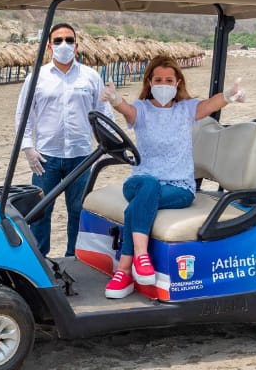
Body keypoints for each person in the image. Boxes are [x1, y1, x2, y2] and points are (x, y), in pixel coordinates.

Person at [99, 56, 245, 298]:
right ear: (149, 82)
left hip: (178, 188)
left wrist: (229, 95)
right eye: (158, 79)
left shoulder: (185, 109)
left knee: (134, 209)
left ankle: (125, 269)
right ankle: (142, 257)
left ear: (177, 83)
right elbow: (126, 109)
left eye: (169, 80)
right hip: (139, 182)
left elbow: (210, 105)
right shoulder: (142, 110)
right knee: (148, 185)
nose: (163, 84)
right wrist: (115, 99)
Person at [15, 22, 113, 256]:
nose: (64, 45)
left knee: (78, 211)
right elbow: (24, 114)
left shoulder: (90, 77)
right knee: (40, 212)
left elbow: (103, 113)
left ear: (76, 46)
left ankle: (74, 258)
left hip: (80, 158)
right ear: (49, 46)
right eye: (58, 41)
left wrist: (105, 143)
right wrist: (28, 147)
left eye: (69, 40)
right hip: (45, 158)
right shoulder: (36, 78)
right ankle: (40, 260)